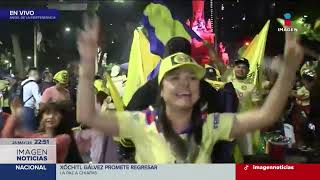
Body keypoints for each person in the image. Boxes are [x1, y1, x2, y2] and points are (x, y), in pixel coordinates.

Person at [76, 16, 304, 163]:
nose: (185, 83)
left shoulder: (212, 125)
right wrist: (87, 69)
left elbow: (267, 115)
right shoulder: (142, 123)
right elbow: (87, 116)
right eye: (175, 78)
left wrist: (287, 73)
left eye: (191, 77)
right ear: (160, 89)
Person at [1, 100, 83, 163]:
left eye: (55, 114)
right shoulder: (34, 136)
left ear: (61, 118)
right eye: (48, 113)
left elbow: (48, 146)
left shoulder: (64, 139)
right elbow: (6, 141)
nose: (51, 117)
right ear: (42, 117)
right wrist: (14, 116)